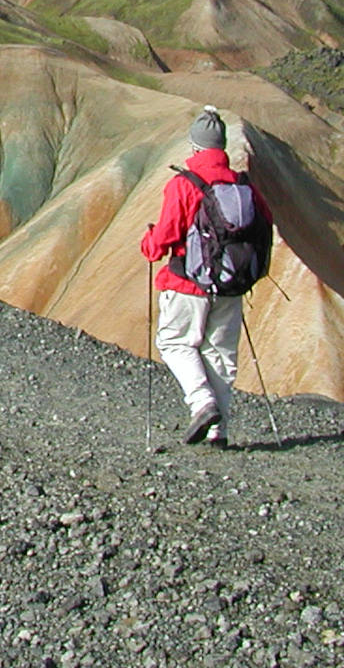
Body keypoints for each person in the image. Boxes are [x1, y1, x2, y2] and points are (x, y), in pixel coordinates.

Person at [139, 107, 274, 447]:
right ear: (222, 147)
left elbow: (167, 234)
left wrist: (150, 245)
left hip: (187, 284)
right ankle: (219, 432)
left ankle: (201, 403)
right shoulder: (243, 185)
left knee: (175, 343)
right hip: (231, 283)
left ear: (196, 147)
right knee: (221, 354)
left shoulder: (185, 184)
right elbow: (265, 223)